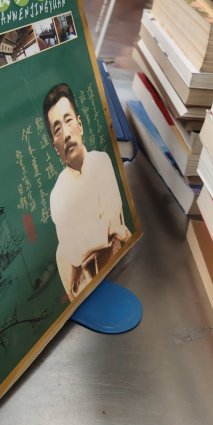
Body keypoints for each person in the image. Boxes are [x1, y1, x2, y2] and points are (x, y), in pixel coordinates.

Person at [43, 83, 131, 301]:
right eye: (57, 129)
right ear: (55, 147)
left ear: (80, 125)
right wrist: (106, 230)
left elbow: (113, 218)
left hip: (121, 269)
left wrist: (84, 241)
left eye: (68, 120)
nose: (66, 134)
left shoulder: (101, 161)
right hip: (87, 291)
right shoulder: (57, 195)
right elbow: (71, 252)